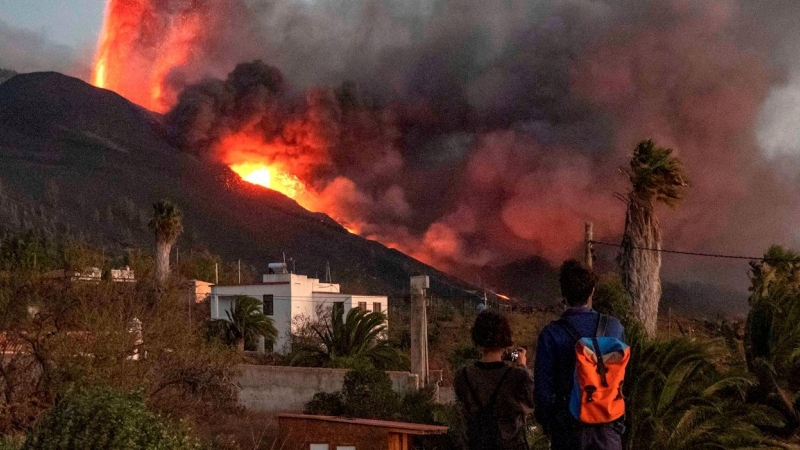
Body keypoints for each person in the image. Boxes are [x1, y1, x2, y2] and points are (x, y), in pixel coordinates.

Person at [534, 260, 626, 450]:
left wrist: (549, 424)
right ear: (592, 290)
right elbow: (624, 377)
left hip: (568, 429)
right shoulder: (614, 327)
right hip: (608, 427)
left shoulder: (551, 334)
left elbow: (542, 391)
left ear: (563, 293)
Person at [455, 309, 534, 450]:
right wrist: (522, 366)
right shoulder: (517, 376)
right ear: (506, 339)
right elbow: (531, 404)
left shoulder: (463, 375)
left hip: (474, 444)